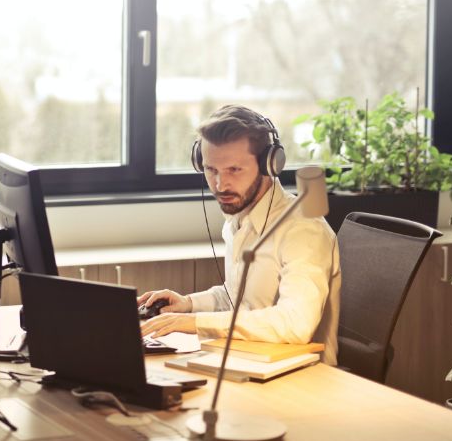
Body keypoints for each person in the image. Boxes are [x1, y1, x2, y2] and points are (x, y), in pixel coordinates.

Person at [139, 105, 341, 365]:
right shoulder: (239, 219)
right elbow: (238, 299)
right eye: (211, 170)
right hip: (247, 360)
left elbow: (296, 324)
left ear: (269, 165)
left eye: (234, 170)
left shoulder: (304, 230)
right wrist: (188, 304)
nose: (220, 185)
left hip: (302, 375)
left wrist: (194, 322)